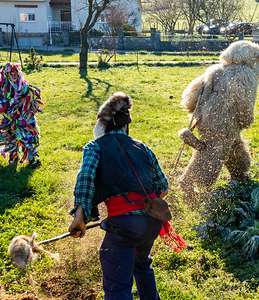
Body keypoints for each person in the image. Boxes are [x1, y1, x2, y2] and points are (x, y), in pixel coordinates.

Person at [68, 92, 184, 300]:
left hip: (124, 227)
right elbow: (163, 188)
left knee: (118, 288)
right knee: (142, 265)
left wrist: (80, 217)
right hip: (151, 225)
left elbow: (85, 178)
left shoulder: (95, 147)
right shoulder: (143, 148)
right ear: (125, 125)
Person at [0, 63, 43, 168]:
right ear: (6, 74)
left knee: (28, 138)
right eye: (11, 74)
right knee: (11, 138)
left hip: (24, 119)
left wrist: (22, 103)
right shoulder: (2, 87)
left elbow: (32, 98)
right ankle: (13, 159)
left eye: (16, 73)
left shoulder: (24, 86)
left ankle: (32, 160)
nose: (14, 76)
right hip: (10, 119)